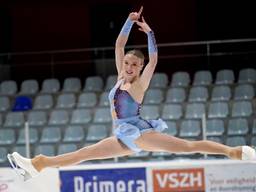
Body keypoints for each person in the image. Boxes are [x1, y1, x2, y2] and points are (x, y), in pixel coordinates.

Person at [8, 6, 256, 181]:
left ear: (139, 68)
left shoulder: (139, 84)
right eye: (126, 63)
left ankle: (235, 152)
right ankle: (36, 165)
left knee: (188, 146)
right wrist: (129, 21)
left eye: (133, 65)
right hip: (122, 135)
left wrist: (149, 33)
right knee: (83, 154)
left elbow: (155, 58)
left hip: (141, 133)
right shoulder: (119, 77)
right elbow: (118, 44)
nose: (128, 67)